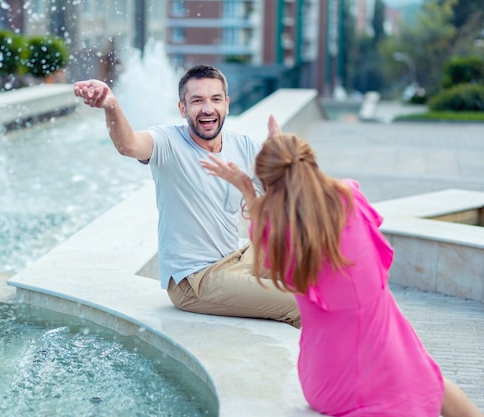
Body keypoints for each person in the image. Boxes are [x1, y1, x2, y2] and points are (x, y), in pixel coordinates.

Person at [200, 129, 484, 416]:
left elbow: (267, 233)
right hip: (383, 349)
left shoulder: (282, 238)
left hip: (328, 380)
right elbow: (314, 189)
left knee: (421, 375)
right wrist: (286, 151)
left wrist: (248, 190)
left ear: (270, 188)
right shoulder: (351, 198)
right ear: (309, 165)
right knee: (428, 378)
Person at [74, 64, 300, 328]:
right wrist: (111, 105)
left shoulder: (243, 145)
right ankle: (299, 368)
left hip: (236, 258)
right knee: (299, 303)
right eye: (197, 101)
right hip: (195, 280)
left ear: (226, 104)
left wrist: (282, 157)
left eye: (215, 99)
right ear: (183, 109)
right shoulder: (168, 142)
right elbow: (128, 145)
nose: (207, 108)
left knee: (315, 274)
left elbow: (284, 198)